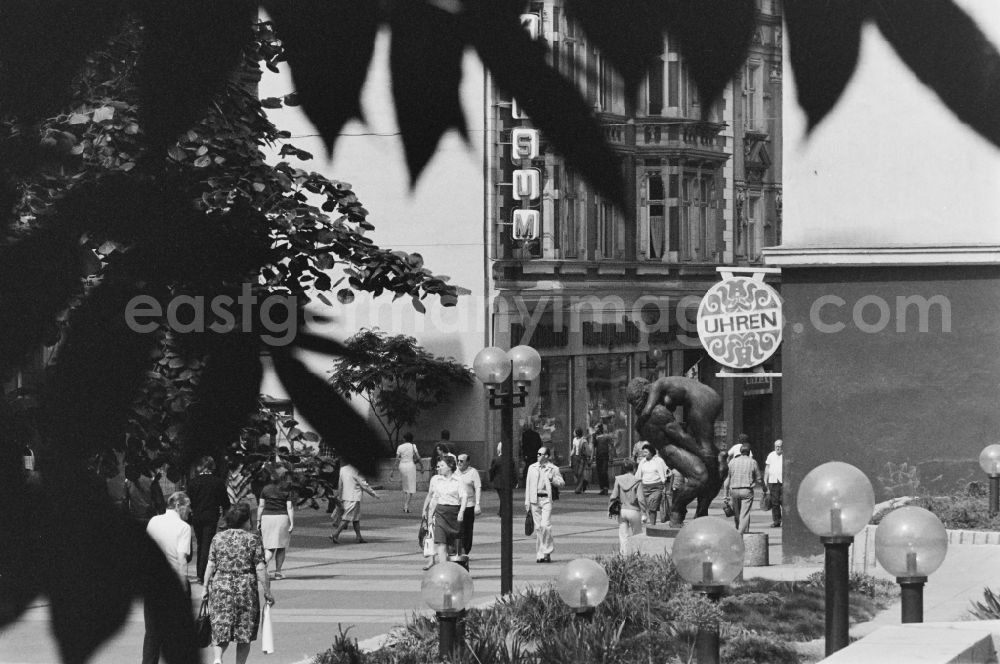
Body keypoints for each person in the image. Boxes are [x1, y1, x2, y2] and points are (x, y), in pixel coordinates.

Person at [203, 503, 273, 664]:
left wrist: (205, 587)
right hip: (245, 588)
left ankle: (217, 659)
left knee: (221, 626)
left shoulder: (218, 538)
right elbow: (260, 568)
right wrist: (267, 591)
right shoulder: (253, 539)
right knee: (244, 630)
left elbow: (211, 564)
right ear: (245, 521)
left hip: (221, 586)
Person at [142, 491, 193, 664]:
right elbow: (181, 560)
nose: (190, 510)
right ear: (178, 506)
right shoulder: (184, 527)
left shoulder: (154, 521)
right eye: (188, 506)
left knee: (152, 632)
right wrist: (184, 587)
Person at [188, 456, 231, 583]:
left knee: (201, 543)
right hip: (211, 515)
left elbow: (189, 501)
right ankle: (203, 574)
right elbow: (225, 502)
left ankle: (199, 572)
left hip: (196, 516)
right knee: (207, 544)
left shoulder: (193, 482)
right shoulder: (217, 482)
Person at [422, 455, 467, 568]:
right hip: (440, 513)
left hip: (454, 513)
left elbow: (464, 497)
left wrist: (461, 511)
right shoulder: (437, 480)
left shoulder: (458, 480)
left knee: (454, 544)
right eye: (439, 466)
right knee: (441, 542)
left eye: (442, 465)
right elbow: (435, 498)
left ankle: (459, 566)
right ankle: (444, 568)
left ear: (450, 466)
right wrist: (430, 515)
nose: (439, 468)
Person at [524, 446, 565, 563]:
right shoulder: (532, 468)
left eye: (540, 454)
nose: (537, 456)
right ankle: (540, 553)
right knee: (538, 528)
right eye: (537, 454)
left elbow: (562, 483)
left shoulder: (553, 468)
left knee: (545, 526)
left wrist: (553, 480)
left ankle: (547, 551)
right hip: (534, 499)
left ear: (546, 456)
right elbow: (528, 485)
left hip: (546, 499)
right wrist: (527, 501)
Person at [256, 472, 293, 579]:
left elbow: (261, 506)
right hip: (282, 518)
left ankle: (262, 569)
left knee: (269, 546)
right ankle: (277, 572)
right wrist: (292, 523)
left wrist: (258, 521)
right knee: (281, 547)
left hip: (267, 518)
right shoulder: (286, 490)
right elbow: (289, 508)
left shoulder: (265, 489)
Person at [331, 462, 380, 543]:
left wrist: (339, 495)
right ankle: (335, 534)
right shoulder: (357, 471)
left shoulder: (343, 469)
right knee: (347, 518)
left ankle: (358, 536)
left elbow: (340, 484)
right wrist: (374, 494)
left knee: (355, 518)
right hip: (354, 497)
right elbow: (364, 485)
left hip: (345, 496)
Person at [723, 443, 763, 534]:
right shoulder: (752, 462)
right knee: (744, 515)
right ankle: (741, 534)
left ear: (740, 452)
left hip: (734, 491)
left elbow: (727, 480)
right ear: (749, 452)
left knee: (737, 514)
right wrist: (764, 488)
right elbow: (759, 479)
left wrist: (725, 496)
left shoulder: (732, 462)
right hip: (746, 491)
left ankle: (738, 530)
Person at [609, 459, 646, 554]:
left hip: (622, 510)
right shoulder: (637, 481)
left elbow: (614, 495)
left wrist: (610, 508)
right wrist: (644, 513)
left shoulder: (618, 479)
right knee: (637, 534)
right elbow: (641, 499)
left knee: (623, 535)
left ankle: (624, 555)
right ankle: (636, 554)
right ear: (634, 469)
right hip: (634, 510)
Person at [635, 443, 669, 526]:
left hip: (657, 487)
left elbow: (666, 471)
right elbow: (638, 475)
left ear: (651, 452)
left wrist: (666, 483)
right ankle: (652, 524)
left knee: (652, 506)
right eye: (643, 452)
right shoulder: (643, 461)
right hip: (645, 487)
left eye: (646, 452)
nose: (644, 454)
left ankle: (652, 525)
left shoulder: (658, 460)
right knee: (649, 507)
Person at [455, 453, 482, 556]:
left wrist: (477, 503)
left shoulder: (473, 472)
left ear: (467, 462)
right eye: (458, 460)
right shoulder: (455, 471)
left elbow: (478, 487)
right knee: (457, 529)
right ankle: (458, 549)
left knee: (467, 529)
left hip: (469, 505)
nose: (459, 463)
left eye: (462, 461)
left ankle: (465, 550)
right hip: (457, 504)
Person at [395, 432, 422, 513]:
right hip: (410, 466)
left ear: (404, 439)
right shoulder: (413, 446)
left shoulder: (400, 447)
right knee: (411, 486)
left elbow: (397, 459)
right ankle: (406, 505)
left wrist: (392, 470)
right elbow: (418, 457)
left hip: (402, 466)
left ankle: (405, 503)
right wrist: (422, 466)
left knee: (405, 486)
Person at [764, 439, 784, 527]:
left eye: (780, 446)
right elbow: (767, 468)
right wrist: (765, 480)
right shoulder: (771, 455)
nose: (778, 448)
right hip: (773, 481)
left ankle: (787, 521)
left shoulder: (786, 455)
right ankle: (777, 521)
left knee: (784, 502)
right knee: (774, 503)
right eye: (776, 446)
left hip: (783, 482)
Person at [592, 424, 614, 495]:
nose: (595, 429)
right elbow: (593, 447)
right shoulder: (595, 436)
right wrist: (592, 457)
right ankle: (602, 488)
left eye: (596, 427)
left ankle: (606, 487)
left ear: (599, 428)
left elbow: (611, 446)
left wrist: (611, 457)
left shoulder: (606, 436)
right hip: (598, 456)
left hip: (605, 456)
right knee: (599, 472)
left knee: (604, 471)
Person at [519, 422, 543, 489]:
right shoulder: (536, 434)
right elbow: (540, 444)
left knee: (528, 467)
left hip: (529, 454)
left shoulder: (525, 434)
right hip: (535, 454)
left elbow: (524, 446)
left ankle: (525, 482)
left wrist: (524, 455)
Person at [570, 428, 591, 494]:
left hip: (582, 458)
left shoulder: (584, 441)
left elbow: (587, 450)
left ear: (577, 433)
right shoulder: (574, 440)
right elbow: (573, 448)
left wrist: (588, 458)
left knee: (580, 473)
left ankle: (578, 489)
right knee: (576, 472)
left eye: (574, 432)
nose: (573, 433)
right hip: (576, 457)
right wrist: (571, 455)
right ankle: (584, 482)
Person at [488, 442, 505, 516]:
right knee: (504, 497)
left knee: (502, 497)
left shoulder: (496, 459)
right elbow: (513, 471)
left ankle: (502, 511)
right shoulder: (510, 459)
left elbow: (492, 470)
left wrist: (491, 479)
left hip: (498, 482)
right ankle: (502, 511)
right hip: (506, 482)